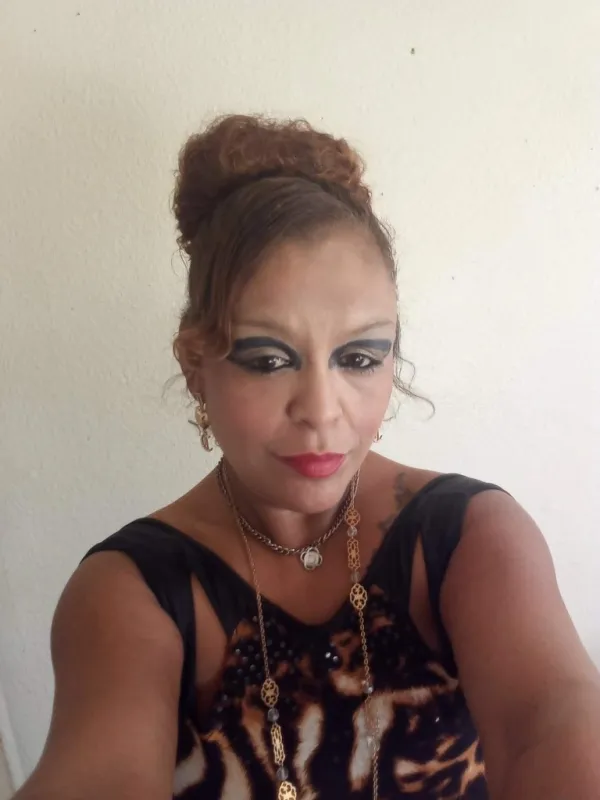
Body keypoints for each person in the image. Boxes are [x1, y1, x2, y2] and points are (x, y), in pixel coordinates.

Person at [14, 115, 600, 800]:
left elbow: (550, 719)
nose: (322, 411)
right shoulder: (134, 590)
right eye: (269, 360)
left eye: (359, 357)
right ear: (197, 365)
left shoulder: (467, 536)